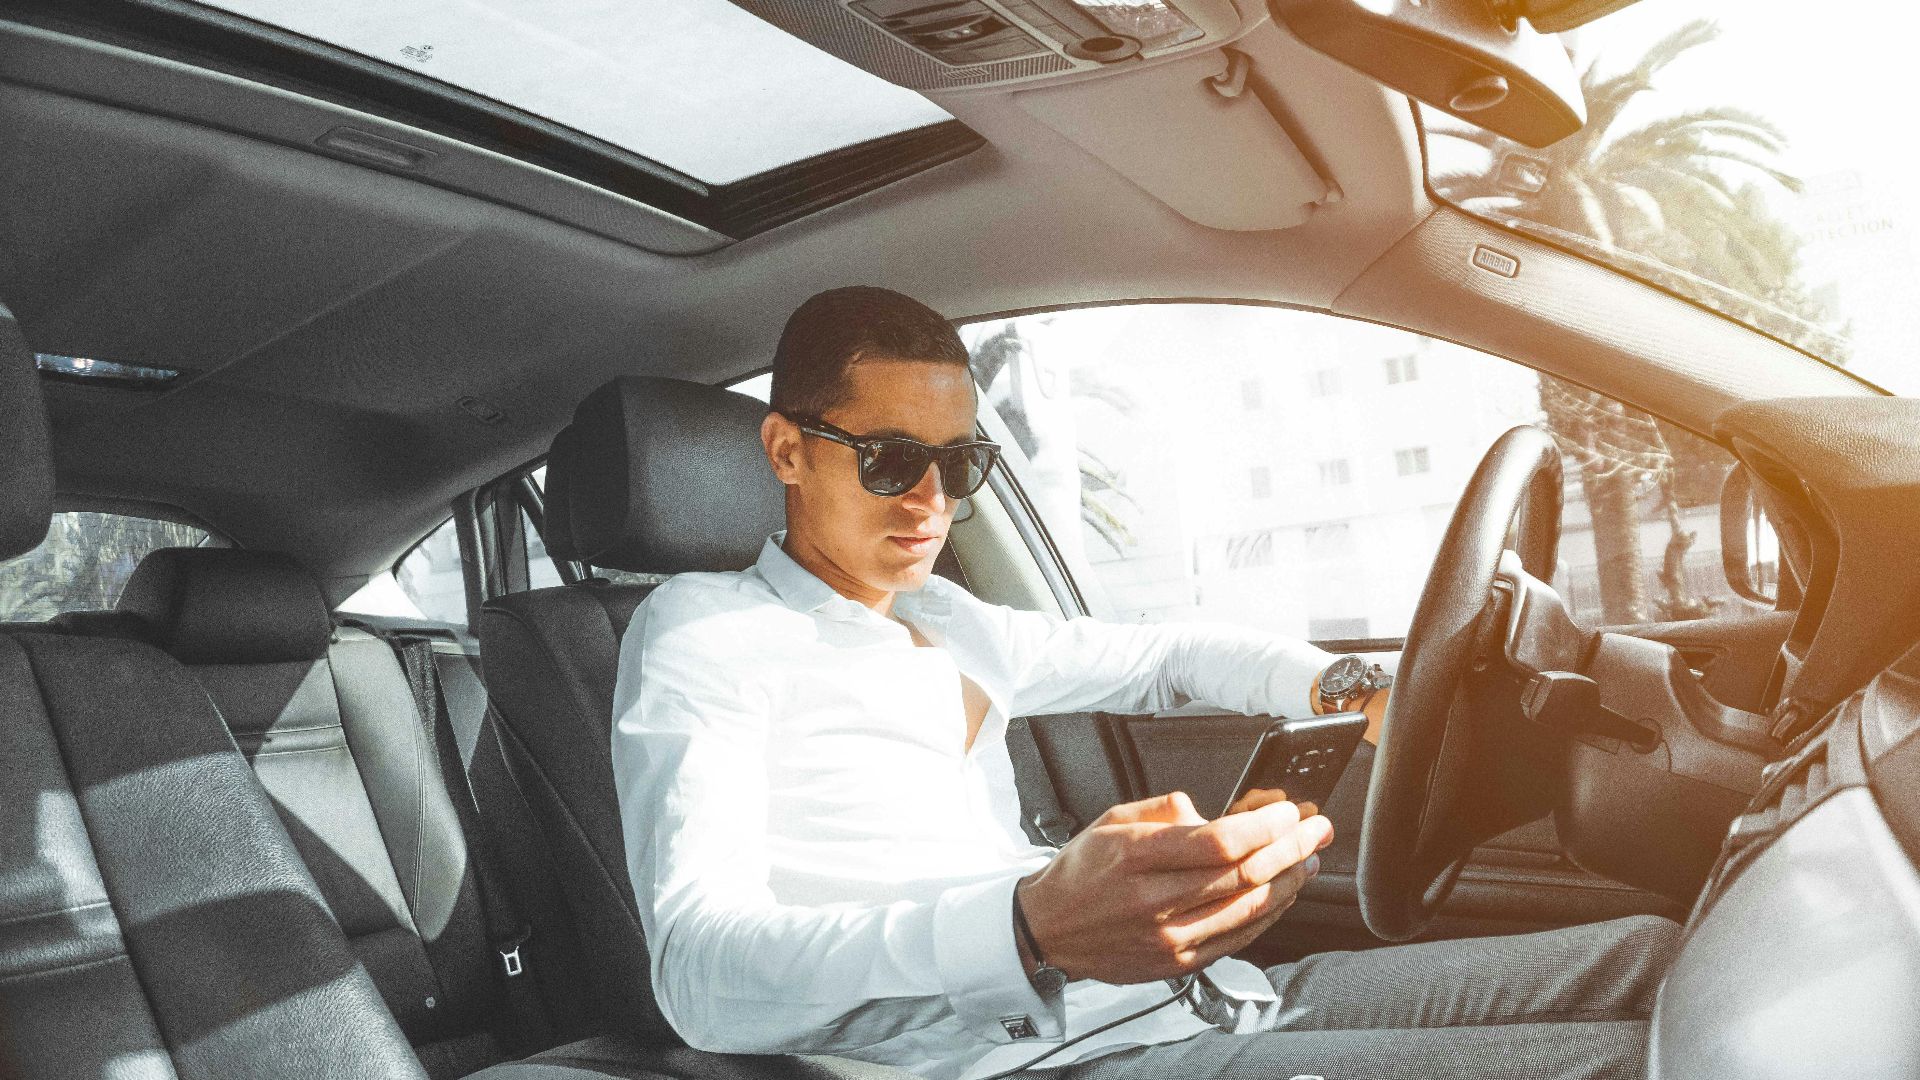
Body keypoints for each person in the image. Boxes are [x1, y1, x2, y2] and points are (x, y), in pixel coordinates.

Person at [610, 287, 1677, 1080]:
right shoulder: (702, 636)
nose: (933, 500)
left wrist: (1356, 692)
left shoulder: (949, 617)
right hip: (1027, 1063)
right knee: (1631, 1064)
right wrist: (1030, 926)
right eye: (891, 459)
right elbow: (700, 977)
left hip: (1193, 1000)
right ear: (787, 452)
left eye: (961, 463)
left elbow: (1169, 660)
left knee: (1651, 961)